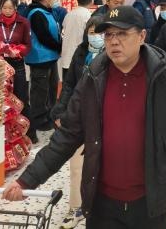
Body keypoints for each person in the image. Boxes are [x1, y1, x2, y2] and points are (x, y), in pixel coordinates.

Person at [3, 7, 166, 228]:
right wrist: (27, 180)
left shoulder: (164, 76)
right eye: (108, 35)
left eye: (122, 33)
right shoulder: (93, 78)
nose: (114, 41)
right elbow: (67, 136)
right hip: (101, 201)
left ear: (142, 36)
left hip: (151, 199)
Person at [51, 15, 103, 229]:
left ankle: (99, 206)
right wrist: (60, 109)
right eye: (92, 32)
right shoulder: (81, 53)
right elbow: (69, 84)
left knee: (101, 167)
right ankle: (76, 207)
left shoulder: (112, 54)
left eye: (101, 33)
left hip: (104, 120)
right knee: (76, 166)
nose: (96, 37)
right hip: (79, 117)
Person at [0, 0, 32, 139]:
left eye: (10, 8)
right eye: (4, 8)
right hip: (0, 65)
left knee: (20, 97)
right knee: (1, 98)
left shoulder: (23, 22)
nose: (7, 11)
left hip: (17, 64)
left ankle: (25, 133)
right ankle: (4, 135)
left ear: (15, 8)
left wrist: (17, 51)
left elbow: (28, 46)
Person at [25, 0, 63, 133]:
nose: (58, 1)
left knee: (52, 89)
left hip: (50, 57)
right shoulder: (36, 13)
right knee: (40, 92)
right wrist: (59, 47)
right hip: (40, 59)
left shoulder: (49, 11)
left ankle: (50, 117)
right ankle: (40, 121)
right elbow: (44, 37)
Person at [61, 0, 95, 81]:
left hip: (67, 58)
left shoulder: (69, 15)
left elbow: (63, 33)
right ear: (92, 0)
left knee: (67, 86)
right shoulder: (89, 16)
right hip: (81, 60)